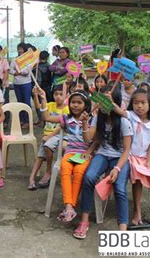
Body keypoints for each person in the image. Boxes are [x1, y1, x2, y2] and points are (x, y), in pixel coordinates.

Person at [73, 85, 133, 239]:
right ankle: (84, 220)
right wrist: (85, 123)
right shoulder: (96, 118)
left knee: (119, 188)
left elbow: (126, 150)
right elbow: (88, 139)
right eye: (102, 99)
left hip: (119, 157)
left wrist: (117, 169)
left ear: (115, 102)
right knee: (89, 178)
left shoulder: (124, 122)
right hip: (102, 154)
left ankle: (122, 230)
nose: (104, 103)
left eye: (109, 100)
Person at [114, 88, 150, 229]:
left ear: (149, 105)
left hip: (148, 157)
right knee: (138, 178)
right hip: (132, 156)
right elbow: (119, 111)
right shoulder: (130, 116)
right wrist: (109, 101)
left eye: (143, 103)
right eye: (136, 103)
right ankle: (137, 211)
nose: (139, 106)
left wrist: (148, 162)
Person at [39, 89, 94, 224]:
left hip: (84, 153)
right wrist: (43, 98)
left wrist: (85, 123)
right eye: (73, 102)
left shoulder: (92, 119)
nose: (75, 105)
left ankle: (70, 206)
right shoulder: (66, 118)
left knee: (79, 171)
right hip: (70, 152)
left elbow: (88, 141)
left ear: (85, 105)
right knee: (65, 168)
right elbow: (46, 117)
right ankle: (69, 206)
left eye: (79, 103)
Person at [28, 86, 69, 190]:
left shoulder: (67, 109)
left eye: (61, 94)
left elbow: (61, 127)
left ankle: (48, 171)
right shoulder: (50, 105)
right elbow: (38, 107)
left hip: (58, 135)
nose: (58, 97)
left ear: (66, 95)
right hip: (47, 135)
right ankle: (31, 179)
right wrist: (37, 95)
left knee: (47, 146)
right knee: (40, 157)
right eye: (56, 94)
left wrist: (49, 136)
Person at [9, 43, 32, 129]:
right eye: (18, 49)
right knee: (20, 102)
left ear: (25, 50)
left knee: (26, 102)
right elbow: (10, 69)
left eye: (22, 49)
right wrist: (15, 72)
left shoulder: (28, 60)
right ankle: (22, 120)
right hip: (17, 84)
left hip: (26, 83)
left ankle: (28, 121)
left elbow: (27, 72)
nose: (20, 50)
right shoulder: (14, 60)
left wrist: (18, 72)